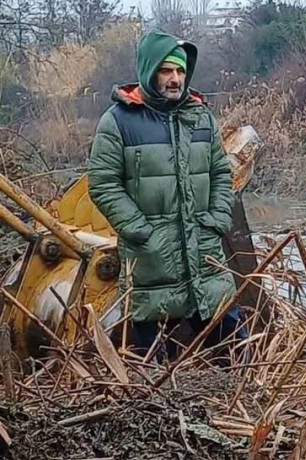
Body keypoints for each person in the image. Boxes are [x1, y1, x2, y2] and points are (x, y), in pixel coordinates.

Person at [87, 29, 247, 362]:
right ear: (149, 71)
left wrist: (217, 219)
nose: (175, 79)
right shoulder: (118, 122)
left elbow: (220, 173)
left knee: (236, 349)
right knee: (152, 365)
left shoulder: (200, 117)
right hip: (151, 261)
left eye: (180, 71)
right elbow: (103, 184)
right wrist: (141, 232)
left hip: (205, 255)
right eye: (166, 70)